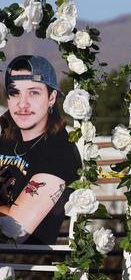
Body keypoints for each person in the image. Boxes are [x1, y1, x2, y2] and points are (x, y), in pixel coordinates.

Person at [0, 55, 81, 244]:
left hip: (26, 264)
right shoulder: (6, 140)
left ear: (51, 97)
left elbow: (15, 230)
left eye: (33, 92)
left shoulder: (60, 150)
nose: (22, 104)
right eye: (15, 93)